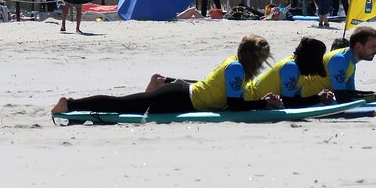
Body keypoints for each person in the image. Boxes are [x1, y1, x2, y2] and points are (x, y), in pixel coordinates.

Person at [51, 34, 282, 115]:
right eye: (263, 59)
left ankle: (70, 104)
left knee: (127, 104)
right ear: (255, 57)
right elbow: (234, 105)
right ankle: (69, 104)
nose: (263, 64)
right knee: (121, 105)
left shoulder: (236, 65)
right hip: (178, 98)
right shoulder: (236, 69)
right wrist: (264, 104)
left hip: (182, 94)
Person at [308, 26, 376, 103]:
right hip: (303, 97)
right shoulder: (339, 59)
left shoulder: (351, 61)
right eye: (373, 46)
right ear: (358, 46)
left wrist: (375, 93)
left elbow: (350, 93)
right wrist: (374, 97)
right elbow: (341, 98)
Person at [247, 37, 335, 107]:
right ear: (312, 58)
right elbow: (288, 102)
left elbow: (297, 99)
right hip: (250, 97)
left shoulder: (300, 67)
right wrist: (318, 98)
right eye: (320, 57)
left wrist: (319, 96)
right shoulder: (291, 67)